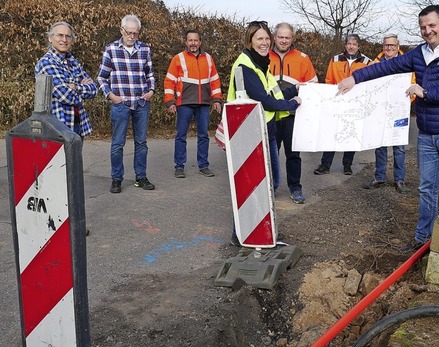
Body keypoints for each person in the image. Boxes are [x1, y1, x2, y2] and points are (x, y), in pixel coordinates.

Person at [337, 5, 439, 251]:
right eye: (423, 27)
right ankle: (422, 239)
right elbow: (385, 67)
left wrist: (424, 92)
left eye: (432, 26)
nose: (427, 31)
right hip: (427, 134)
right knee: (427, 189)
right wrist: (355, 78)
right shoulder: (419, 53)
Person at [227, 21, 301, 246]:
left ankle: (262, 231)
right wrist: (291, 104)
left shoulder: (260, 63)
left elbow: (272, 92)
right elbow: (263, 100)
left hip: (263, 128)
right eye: (260, 38)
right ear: (250, 41)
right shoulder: (246, 65)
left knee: (268, 183)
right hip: (249, 132)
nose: (265, 42)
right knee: (254, 185)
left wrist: (293, 90)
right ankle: (240, 233)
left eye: (267, 38)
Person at [98, 14, 156, 194]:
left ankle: (141, 177)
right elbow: (102, 77)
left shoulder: (145, 49)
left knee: (141, 143)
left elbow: (150, 74)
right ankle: (117, 178)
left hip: (141, 103)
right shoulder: (111, 50)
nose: (132, 36)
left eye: (136, 33)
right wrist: (111, 96)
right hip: (120, 103)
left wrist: (151, 91)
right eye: (129, 32)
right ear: (121, 30)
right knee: (117, 144)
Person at [269, 23, 318, 204]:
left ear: (292, 39)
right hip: (270, 114)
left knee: (293, 154)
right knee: (269, 154)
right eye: (280, 37)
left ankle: (295, 187)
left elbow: (313, 84)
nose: (283, 40)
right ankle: (269, 188)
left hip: (292, 115)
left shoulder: (302, 58)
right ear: (274, 38)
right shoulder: (264, 56)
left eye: (287, 37)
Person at [164, 30, 223, 179]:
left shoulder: (209, 58)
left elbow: (214, 80)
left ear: (200, 41)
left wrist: (216, 99)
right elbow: (169, 81)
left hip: (203, 103)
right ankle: (179, 166)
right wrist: (170, 101)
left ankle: (203, 166)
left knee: (203, 136)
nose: (193, 43)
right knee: (181, 136)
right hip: (184, 103)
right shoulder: (178, 58)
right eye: (190, 40)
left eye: (195, 40)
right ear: (186, 42)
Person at [314, 34, 372, 176]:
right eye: (349, 44)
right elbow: (328, 80)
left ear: (358, 46)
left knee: (351, 133)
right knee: (331, 133)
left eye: (354, 44)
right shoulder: (335, 60)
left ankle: (347, 165)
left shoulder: (367, 62)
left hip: (355, 103)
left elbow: (370, 82)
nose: (351, 46)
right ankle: (325, 164)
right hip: (337, 101)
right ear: (345, 45)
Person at [363, 33, 410, 194]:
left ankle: (399, 179)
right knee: (380, 145)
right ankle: (379, 177)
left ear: (398, 47)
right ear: (383, 47)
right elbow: (367, 85)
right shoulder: (374, 64)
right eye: (386, 45)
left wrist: (405, 104)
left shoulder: (407, 63)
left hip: (399, 112)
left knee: (399, 147)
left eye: (392, 45)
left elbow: (414, 85)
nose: (389, 48)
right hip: (380, 113)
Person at [35, 21, 97, 138]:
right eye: (60, 35)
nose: (64, 39)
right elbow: (65, 96)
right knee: (61, 157)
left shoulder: (73, 62)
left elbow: (93, 90)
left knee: (76, 157)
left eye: (68, 36)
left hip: (78, 124)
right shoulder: (47, 63)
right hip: (58, 126)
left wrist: (75, 87)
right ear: (50, 38)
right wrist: (81, 88)